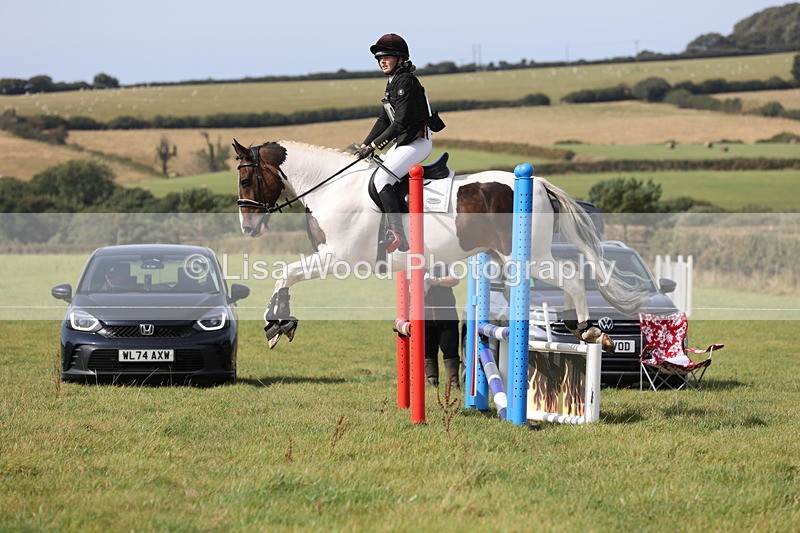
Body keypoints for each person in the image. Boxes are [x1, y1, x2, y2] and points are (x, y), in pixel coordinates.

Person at [355, 33, 445, 253]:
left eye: (387, 57)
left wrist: (374, 146)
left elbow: (401, 122)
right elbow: (384, 118)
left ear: (400, 58)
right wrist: (364, 145)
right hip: (406, 142)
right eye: (379, 58)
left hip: (418, 142)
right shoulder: (393, 81)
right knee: (375, 174)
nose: (382, 61)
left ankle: (398, 234)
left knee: (382, 178)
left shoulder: (406, 81)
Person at [424, 263, 461, 388]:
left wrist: (438, 281)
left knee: (450, 348)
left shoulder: (446, 260)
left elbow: (455, 279)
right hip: (424, 315)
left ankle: (454, 383)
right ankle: (432, 382)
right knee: (428, 351)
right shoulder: (414, 262)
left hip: (447, 313)